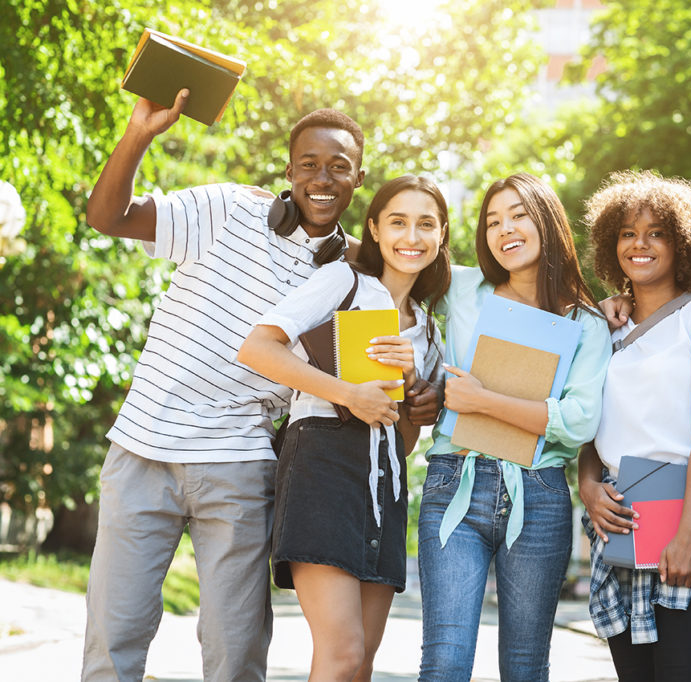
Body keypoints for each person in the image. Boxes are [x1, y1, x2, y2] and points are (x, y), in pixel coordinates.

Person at [82, 90, 432, 681]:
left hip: (243, 463)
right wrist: (139, 134)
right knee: (114, 640)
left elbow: (416, 303)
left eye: (339, 167)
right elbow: (106, 217)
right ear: (289, 170)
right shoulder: (225, 208)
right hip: (144, 445)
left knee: (237, 651)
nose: (323, 178)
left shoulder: (354, 273)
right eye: (310, 165)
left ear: (359, 180)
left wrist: (418, 397)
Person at [237, 175, 449, 681]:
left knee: (362, 665)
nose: (411, 237)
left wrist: (412, 385)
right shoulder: (346, 283)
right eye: (398, 222)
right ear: (373, 229)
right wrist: (349, 393)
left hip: (385, 486)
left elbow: (401, 440)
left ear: (442, 235)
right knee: (342, 654)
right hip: (321, 466)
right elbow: (257, 348)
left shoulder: (429, 329)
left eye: (426, 224)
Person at [416, 172, 612, 682]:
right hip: (453, 481)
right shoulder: (462, 288)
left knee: (525, 667)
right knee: (445, 660)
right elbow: (398, 252)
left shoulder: (586, 323)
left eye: (519, 215)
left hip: (538, 494)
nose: (505, 229)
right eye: (493, 221)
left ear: (546, 221)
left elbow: (577, 422)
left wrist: (483, 401)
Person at [577, 171, 691, 681]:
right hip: (620, 514)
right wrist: (586, 487)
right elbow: (585, 419)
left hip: (690, 510)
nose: (640, 244)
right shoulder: (602, 325)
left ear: (685, 241)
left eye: (657, 233)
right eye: (627, 232)